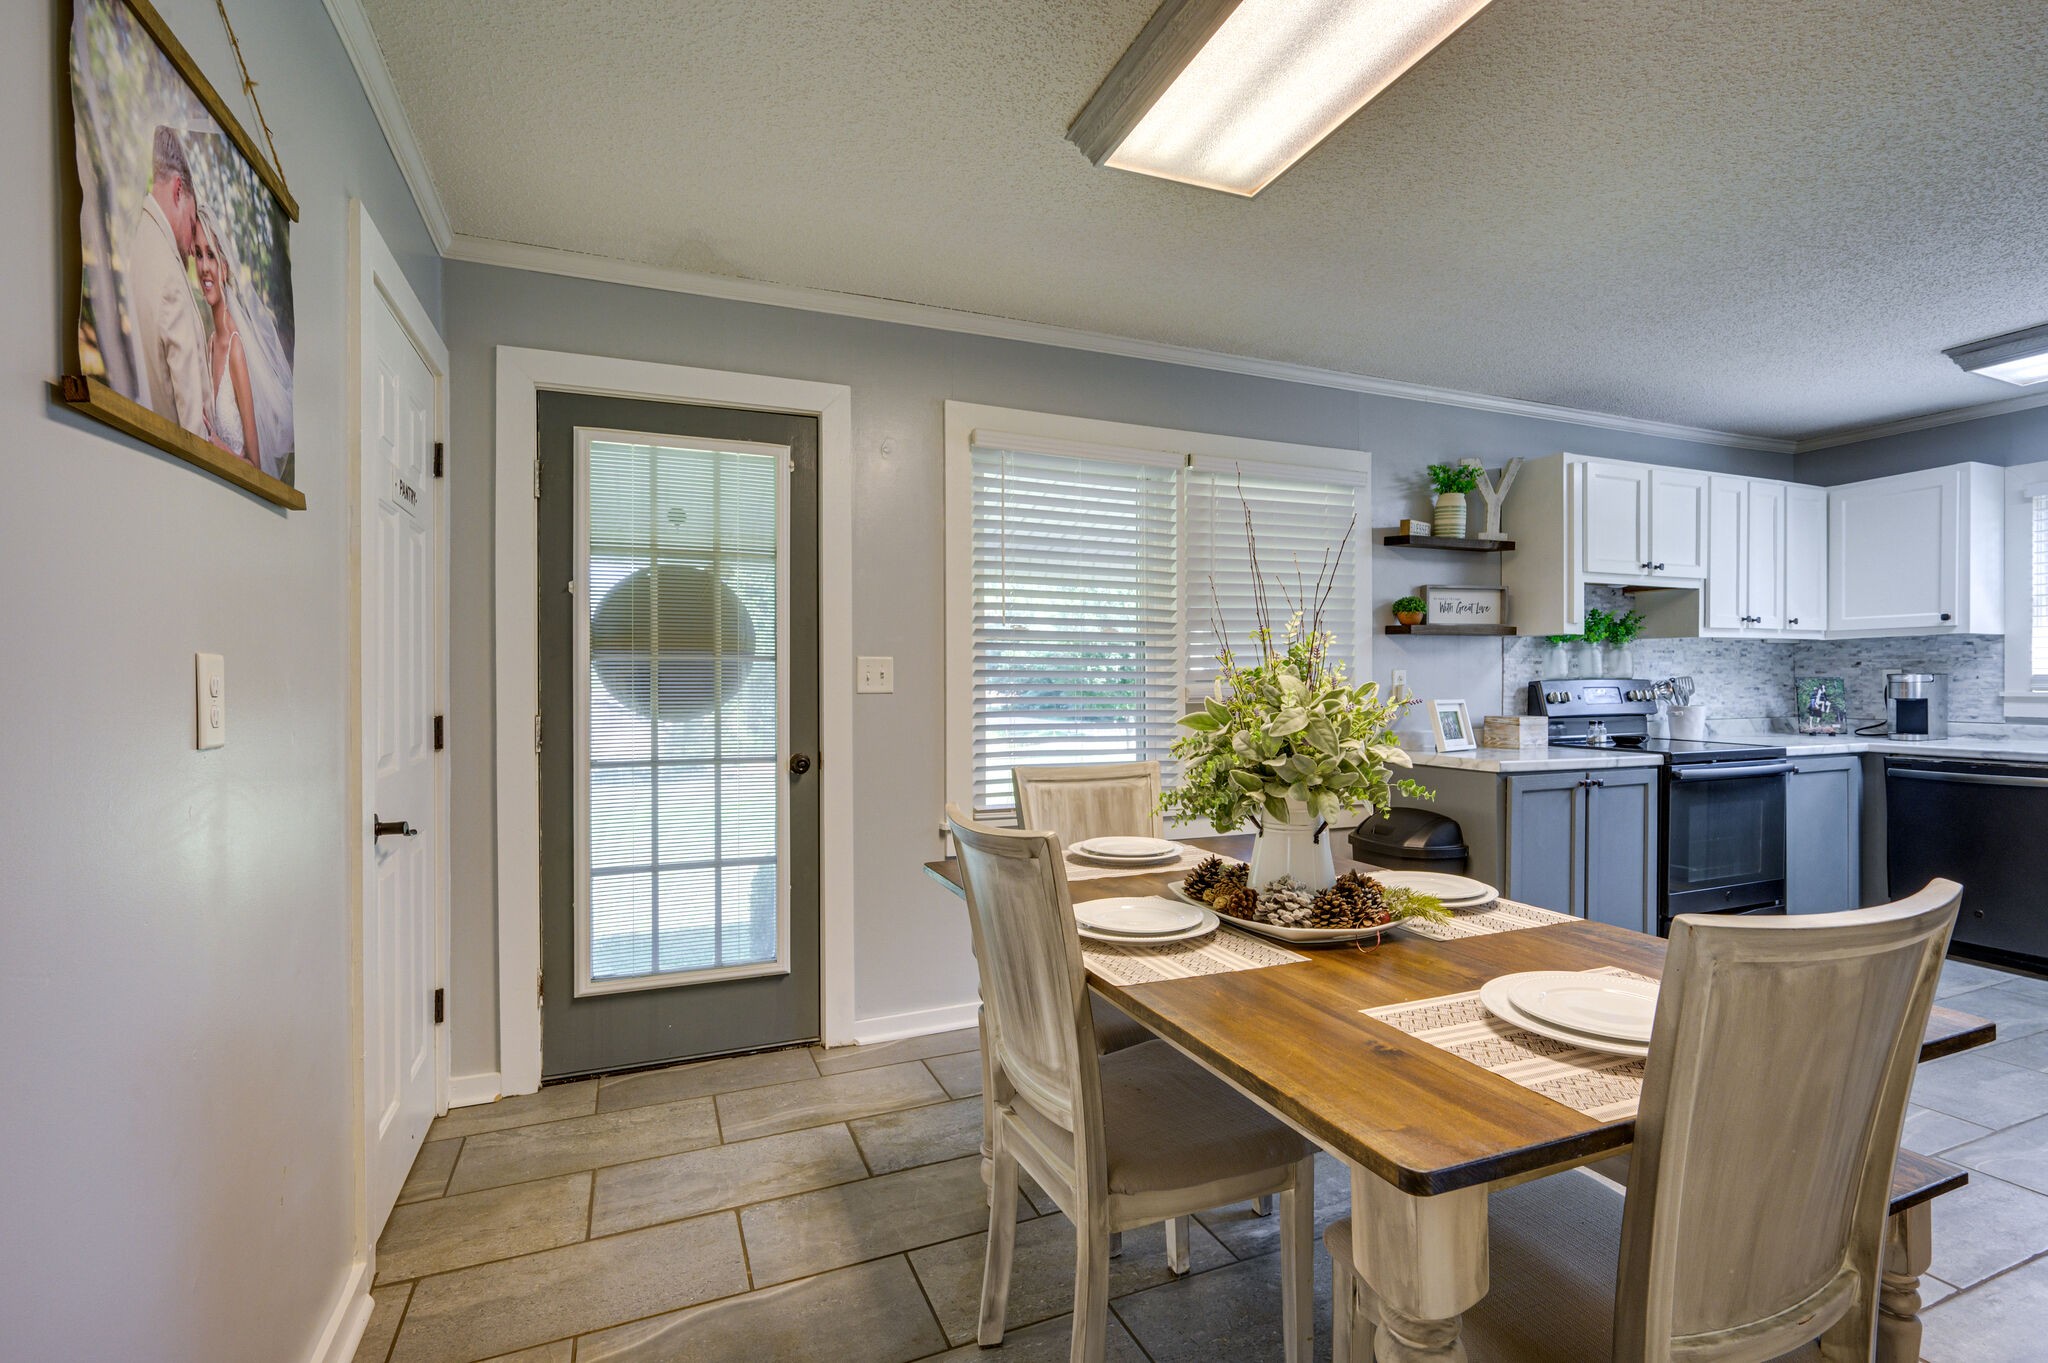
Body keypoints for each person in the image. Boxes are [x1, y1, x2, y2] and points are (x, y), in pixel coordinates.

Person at [120, 126, 209, 436]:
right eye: (192, 219)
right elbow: (193, 425)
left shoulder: (141, 242)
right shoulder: (169, 274)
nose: (190, 241)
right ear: (177, 190)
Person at [192, 214, 257, 470]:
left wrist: (220, 449)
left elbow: (256, 466)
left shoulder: (236, 348)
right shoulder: (209, 344)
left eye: (211, 255)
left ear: (225, 267)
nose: (204, 267)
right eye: (198, 254)